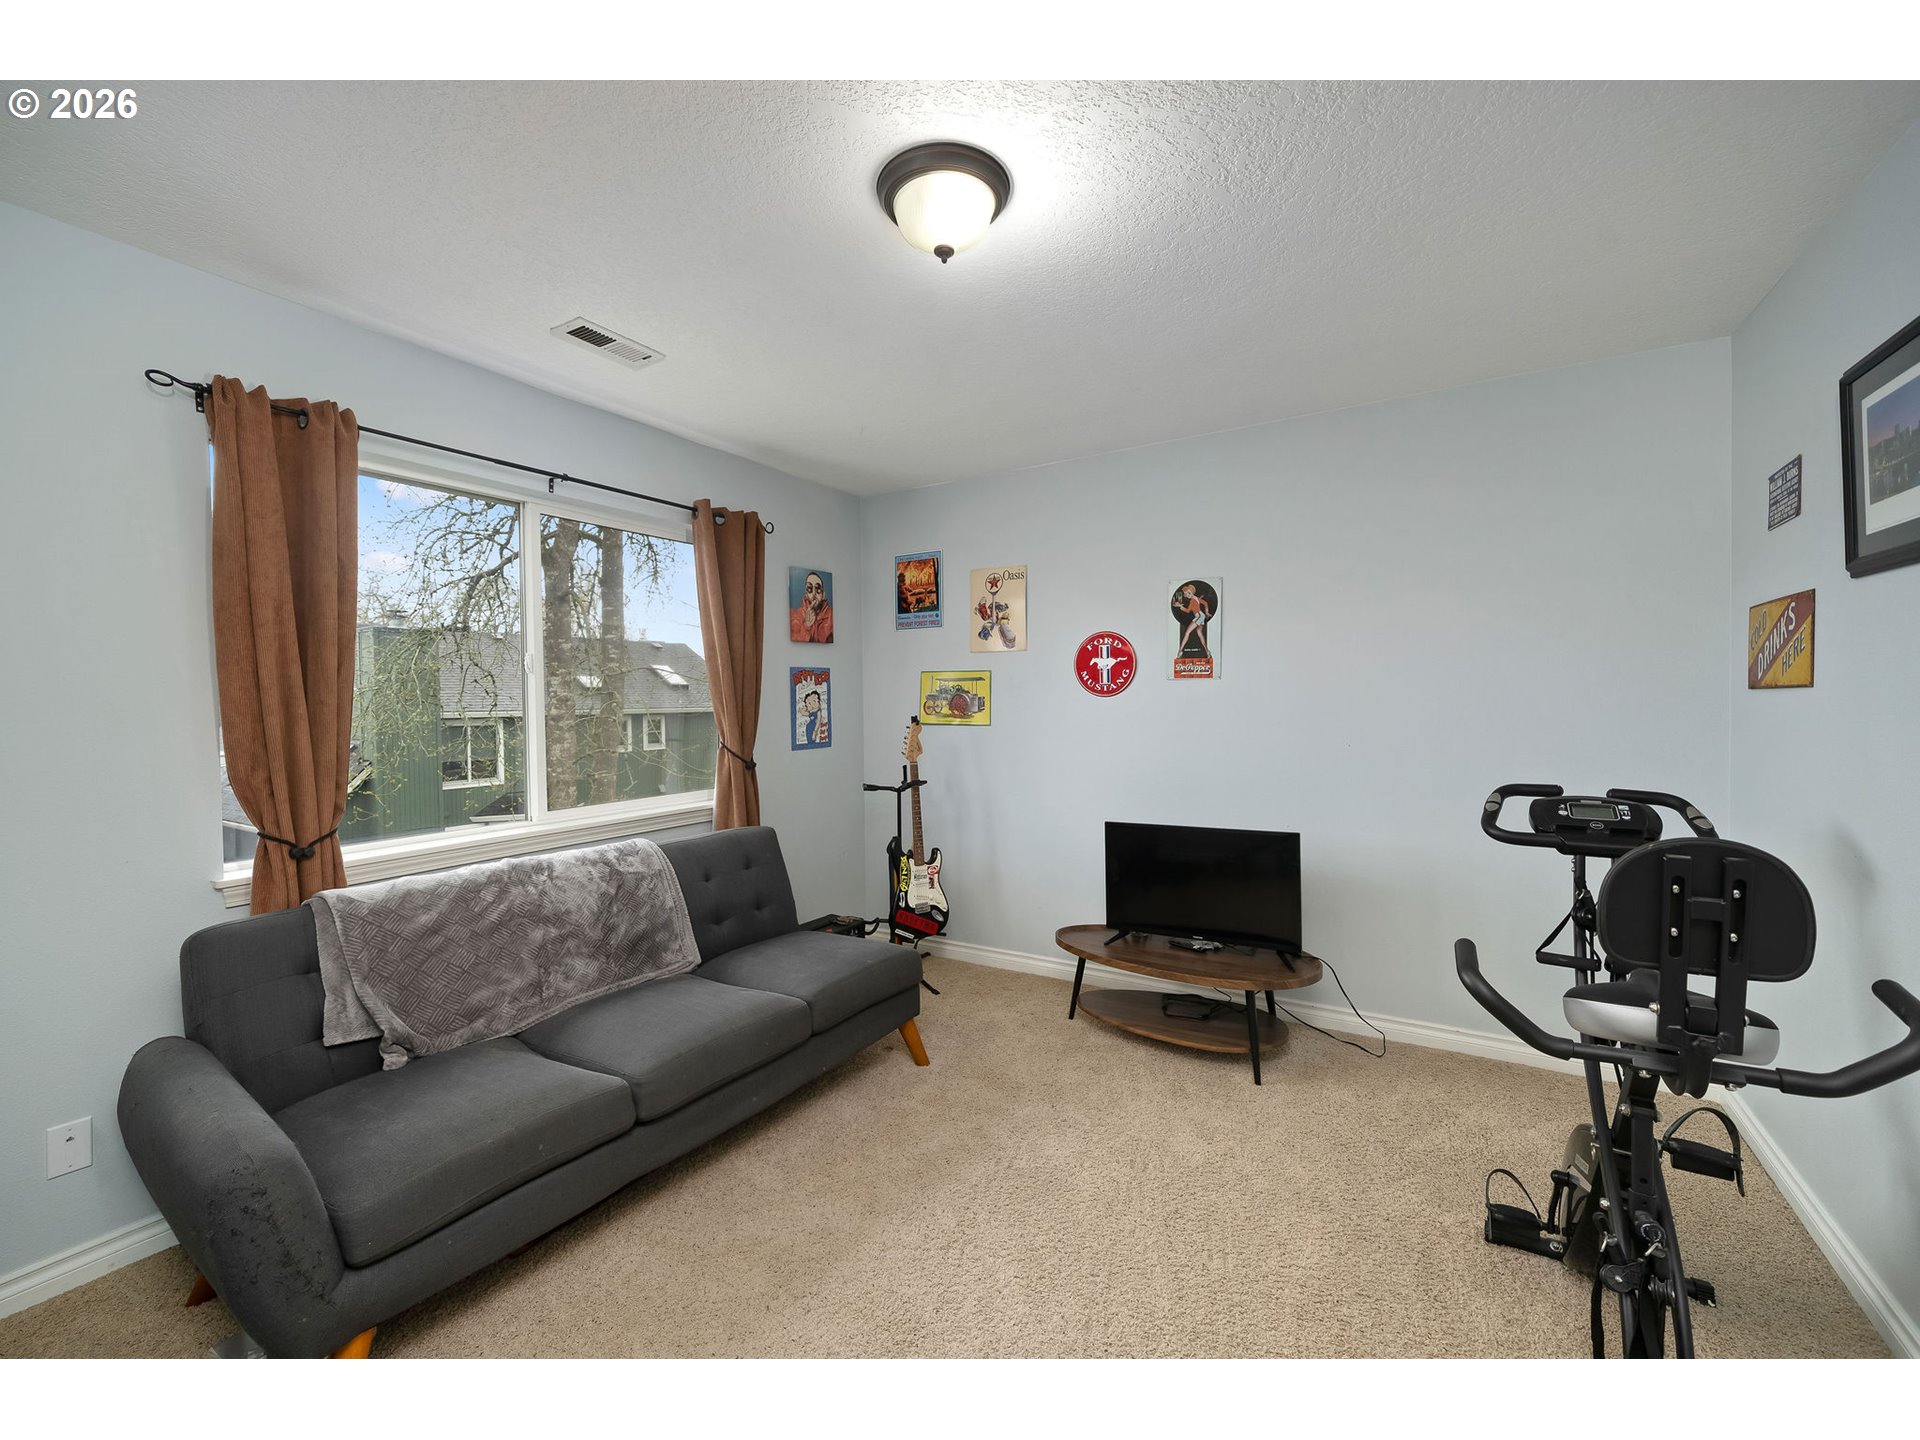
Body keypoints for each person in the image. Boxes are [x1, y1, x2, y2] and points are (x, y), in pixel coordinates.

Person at [791, 571, 833, 643]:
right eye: (810, 588)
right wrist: (806, 626)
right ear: (806, 594)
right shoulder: (798, 616)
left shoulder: (831, 616)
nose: (814, 593)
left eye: (818, 588)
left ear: (823, 595)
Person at [1176, 582, 1212, 657]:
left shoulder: (1192, 600)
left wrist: (1181, 607)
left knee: (1187, 632)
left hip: (1198, 616)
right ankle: (1207, 652)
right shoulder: (1196, 598)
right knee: (1200, 634)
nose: (1186, 595)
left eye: (1187, 594)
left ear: (1190, 592)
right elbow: (1205, 603)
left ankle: (1180, 651)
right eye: (1185, 594)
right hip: (1201, 616)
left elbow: (1188, 611)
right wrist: (1206, 612)